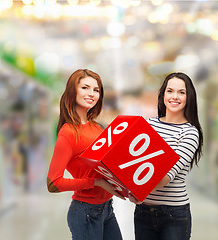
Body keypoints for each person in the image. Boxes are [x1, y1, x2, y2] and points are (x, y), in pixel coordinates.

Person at [47, 69, 125, 240]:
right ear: (72, 91)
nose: (91, 94)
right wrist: (96, 182)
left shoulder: (98, 127)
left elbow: (105, 167)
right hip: (85, 212)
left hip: (107, 209)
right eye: (85, 88)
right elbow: (53, 183)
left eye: (96, 90)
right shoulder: (68, 132)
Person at [129, 72, 203, 240]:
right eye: (170, 91)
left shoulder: (190, 133)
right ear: (163, 94)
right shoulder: (148, 125)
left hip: (174, 214)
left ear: (188, 97)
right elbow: (131, 163)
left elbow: (165, 177)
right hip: (142, 213)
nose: (174, 96)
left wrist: (135, 188)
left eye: (181, 92)